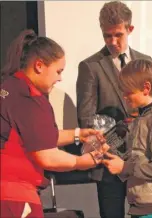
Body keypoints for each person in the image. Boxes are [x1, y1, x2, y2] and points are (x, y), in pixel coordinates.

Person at [0, 29, 107, 218]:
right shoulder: (29, 98)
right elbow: (45, 155)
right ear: (39, 66)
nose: (60, 78)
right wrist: (81, 162)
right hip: (14, 197)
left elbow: (34, 136)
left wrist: (77, 134)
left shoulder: (9, 87)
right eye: (58, 71)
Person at [76, 1, 152, 218]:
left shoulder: (146, 61)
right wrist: (111, 154)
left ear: (130, 29)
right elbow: (86, 118)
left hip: (142, 162)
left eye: (118, 35)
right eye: (107, 36)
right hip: (108, 165)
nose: (112, 42)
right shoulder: (90, 66)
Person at [102, 59, 152, 218]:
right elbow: (140, 158)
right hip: (143, 206)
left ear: (146, 88)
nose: (124, 97)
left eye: (129, 92)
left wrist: (124, 167)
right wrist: (111, 153)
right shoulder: (143, 118)